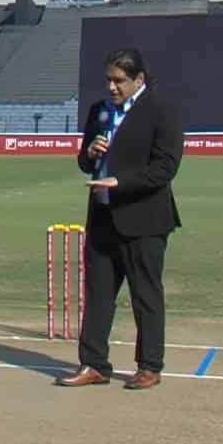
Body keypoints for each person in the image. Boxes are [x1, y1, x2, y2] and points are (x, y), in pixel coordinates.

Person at [57, 48, 183, 391]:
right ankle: (94, 364)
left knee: (145, 295)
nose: (112, 87)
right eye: (108, 80)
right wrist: (89, 154)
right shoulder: (100, 111)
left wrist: (121, 182)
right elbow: (85, 162)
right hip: (102, 217)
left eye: (119, 81)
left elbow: (165, 167)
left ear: (139, 79)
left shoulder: (161, 110)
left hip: (144, 219)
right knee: (98, 295)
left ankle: (149, 366)